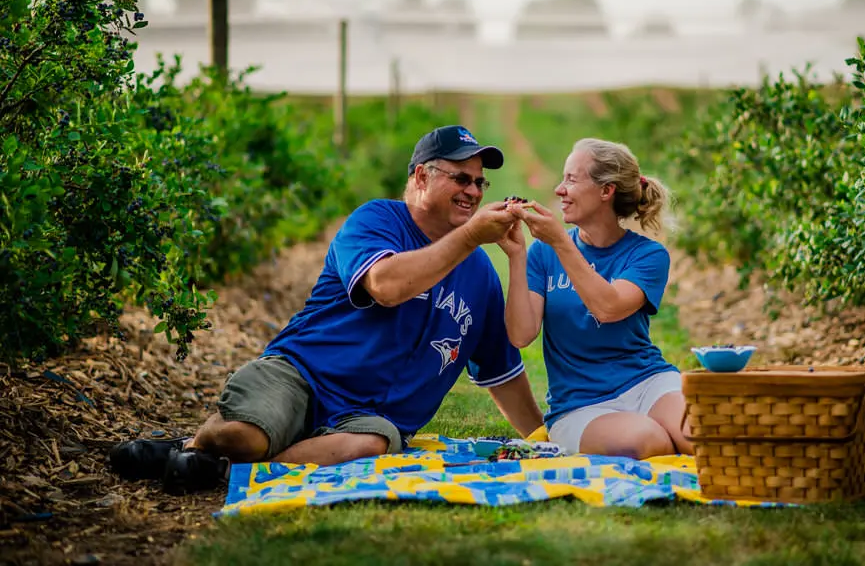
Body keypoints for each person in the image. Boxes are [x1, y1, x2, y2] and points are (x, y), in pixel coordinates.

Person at [109, 125, 544, 494]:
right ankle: (190, 446)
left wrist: (544, 441)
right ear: (421, 177)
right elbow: (386, 286)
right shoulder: (376, 221)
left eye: (478, 182)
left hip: (369, 418)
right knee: (242, 436)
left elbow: (502, 373)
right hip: (304, 374)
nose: (472, 191)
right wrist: (469, 237)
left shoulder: (482, 275)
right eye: (460, 178)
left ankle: (221, 471)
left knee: (370, 444)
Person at [500, 138, 691, 459]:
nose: (560, 189)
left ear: (607, 191)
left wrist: (561, 242)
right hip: (579, 405)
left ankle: (666, 431)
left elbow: (608, 307)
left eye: (572, 180)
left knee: (699, 435)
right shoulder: (543, 254)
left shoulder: (647, 255)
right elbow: (520, 335)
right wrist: (517, 256)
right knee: (647, 441)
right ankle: (653, 431)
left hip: (648, 382)